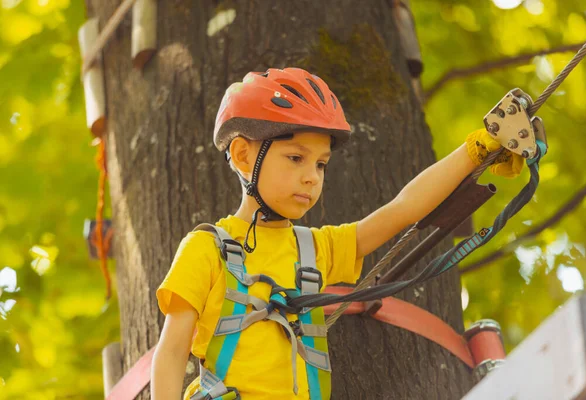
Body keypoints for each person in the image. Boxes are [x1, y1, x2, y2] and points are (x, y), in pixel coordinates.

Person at [150, 67, 523, 400]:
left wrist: (477, 151)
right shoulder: (206, 249)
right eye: (296, 158)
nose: (312, 176)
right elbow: (170, 354)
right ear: (245, 156)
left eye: (321, 164)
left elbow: (404, 208)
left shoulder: (317, 249)